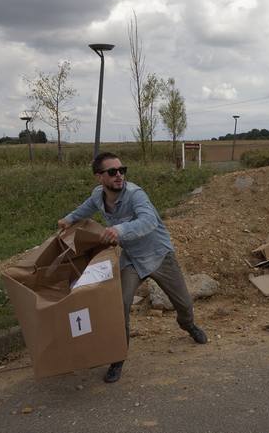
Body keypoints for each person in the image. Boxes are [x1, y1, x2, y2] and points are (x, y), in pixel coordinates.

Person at [58, 152, 207, 383]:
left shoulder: (136, 194)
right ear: (99, 177)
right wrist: (68, 219)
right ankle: (118, 357)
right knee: (120, 305)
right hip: (132, 259)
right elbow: (84, 209)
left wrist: (119, 230)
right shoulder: (98, 196)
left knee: (184, 303)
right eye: (112, 172)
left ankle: (188, 325)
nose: (119, 175)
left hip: (159, 255)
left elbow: (149, 221)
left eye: (122, 170)